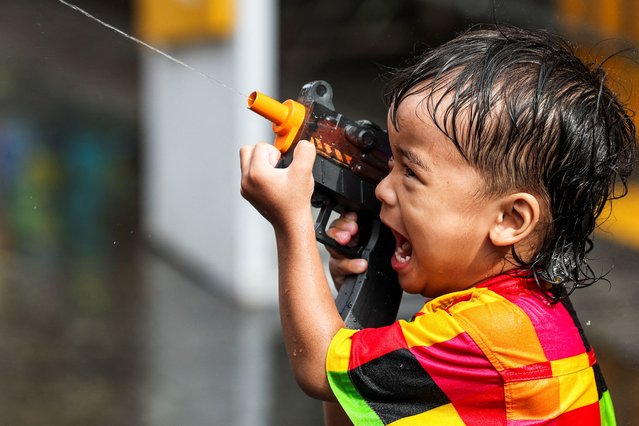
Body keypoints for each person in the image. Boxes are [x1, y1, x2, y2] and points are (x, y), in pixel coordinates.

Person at [239, 25, 636, 425]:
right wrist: (365, 294)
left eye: (410, 172)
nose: (383, 191)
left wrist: (291, 222)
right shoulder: (531, 314)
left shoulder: (488, 337)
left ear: (510, 219)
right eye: (390, 165)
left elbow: (319, 368)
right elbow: (348, 401)